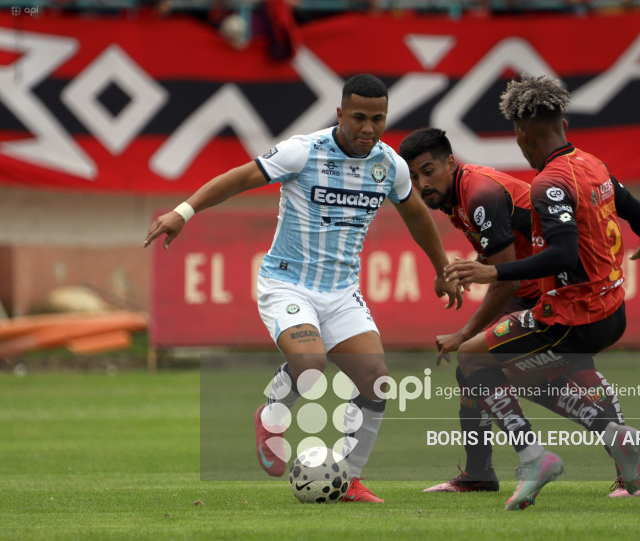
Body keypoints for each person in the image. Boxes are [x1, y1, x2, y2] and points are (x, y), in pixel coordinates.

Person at [144, 74, 462, 503]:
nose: (368, 128)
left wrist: (442, 267)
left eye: (378, 119)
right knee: (310, 363)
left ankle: (349, 478)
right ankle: (272, 414)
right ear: (339, 114)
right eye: (359, 118)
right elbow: (239, 178)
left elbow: (418, 217)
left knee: (377, 381)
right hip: (287, 284)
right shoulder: (303, 151)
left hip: (341, 292)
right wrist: (184, 211)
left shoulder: (390, 165)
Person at [443, 75, 640, 510]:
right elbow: (637, 211)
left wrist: (494, 274)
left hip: (572, 315)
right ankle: (623, 450)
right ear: (563, 122)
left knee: (473, 357)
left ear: (522, 133)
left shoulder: (548, 184)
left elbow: (564, 255)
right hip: (613, 311)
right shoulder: (593, 165)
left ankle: (534, 459)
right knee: (519, 373)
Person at [400, 127, 640, 498]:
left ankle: (572, 463)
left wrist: (464, 332)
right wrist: (463, 270)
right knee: (479, 370)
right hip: (545, 288)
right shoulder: (462, 194)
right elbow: (505, 248)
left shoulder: (480, 194)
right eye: (413, 177)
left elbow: (503, 277)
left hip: (550, 292)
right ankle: (481, 472)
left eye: (428, 171)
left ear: (450, 163)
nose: (422, 183)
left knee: (494, 364)